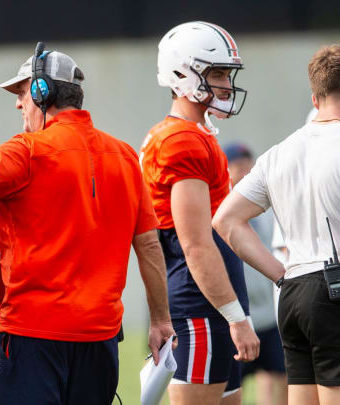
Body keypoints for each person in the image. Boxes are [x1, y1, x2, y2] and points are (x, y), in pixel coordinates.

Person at [0, 43, 175, 405]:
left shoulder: (27, 151)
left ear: (40, 92)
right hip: (100, 339)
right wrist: (160, 320)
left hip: (34, 334)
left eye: (21, 93)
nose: (18, 103)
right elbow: (149, 245)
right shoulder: (125, 156)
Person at [139, 22, 260, 405]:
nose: (226, 84)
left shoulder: (194, 134)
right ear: (182, 74)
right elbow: (195, 244)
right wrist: (236, 318)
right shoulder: (181, 140)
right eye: (217, 73)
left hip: (215, 309)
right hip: (202, 309)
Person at [213, 44, 340, 405]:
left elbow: (225, 220)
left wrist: (281, 275)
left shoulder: (279, 153)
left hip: (294, 291)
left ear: (314, 98)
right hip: (334, 288)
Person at [223, 143, 287, 405]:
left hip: (270, 319)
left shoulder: (266, 212)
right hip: (239, 319)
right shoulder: (222, 214)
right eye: (239, 167)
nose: (245, 173)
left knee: (281, 378)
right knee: (232, 388)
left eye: (248, 167)